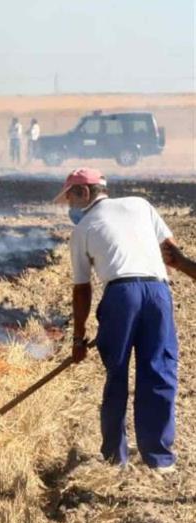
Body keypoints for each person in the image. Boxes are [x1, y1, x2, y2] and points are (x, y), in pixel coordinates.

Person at [56, 167, 180, 473]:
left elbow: (82, 290)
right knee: (159, 371)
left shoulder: (82, 229)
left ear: (84, 192)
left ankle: (116, 457)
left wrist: (78, 338)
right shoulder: (141, 204)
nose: (70, 206)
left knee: (117, 375)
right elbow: (172, 255)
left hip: (121, 295)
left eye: (70, 198)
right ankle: (159, 458)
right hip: (157, 293)